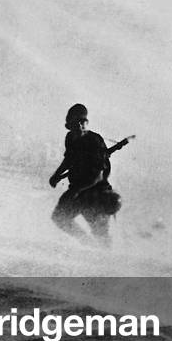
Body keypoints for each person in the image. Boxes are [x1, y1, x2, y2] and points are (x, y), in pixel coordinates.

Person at [48, 103, 122, 245]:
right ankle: (87, 243)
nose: (78, 126)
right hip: (79, 191)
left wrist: (75, 190)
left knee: (101, 235)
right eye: (74, 123)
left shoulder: (94, 140)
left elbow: (98, 174)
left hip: (96, 194)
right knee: (60, 217)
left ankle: (106, 260)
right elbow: (69, 159)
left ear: (85, 123)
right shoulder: (70, 138)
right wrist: (57, 175)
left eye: (81, 122)